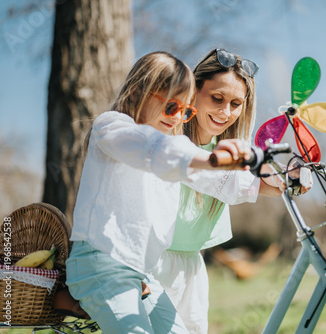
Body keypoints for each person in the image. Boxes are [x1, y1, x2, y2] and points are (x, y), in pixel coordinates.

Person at [65, 51, 255, 334]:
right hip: (100, 267)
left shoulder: (170, 143)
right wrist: (211, 158)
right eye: (171, 107)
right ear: (138, 92)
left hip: (140, 274)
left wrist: (267, 182)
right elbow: (150, 148)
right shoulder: (111, 127)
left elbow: (209, 179)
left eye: (186, 111)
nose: (178, 117)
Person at [152, 48, 311, 334]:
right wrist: (264, 180)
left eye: (236, 103)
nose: (226, 112)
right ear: (193, 90)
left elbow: (267, 186)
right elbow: (224, 180)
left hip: (192, 265)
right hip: (151, 263)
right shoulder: (170, 139)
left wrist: (294, 179)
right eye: (217, 98)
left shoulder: (228, 150)